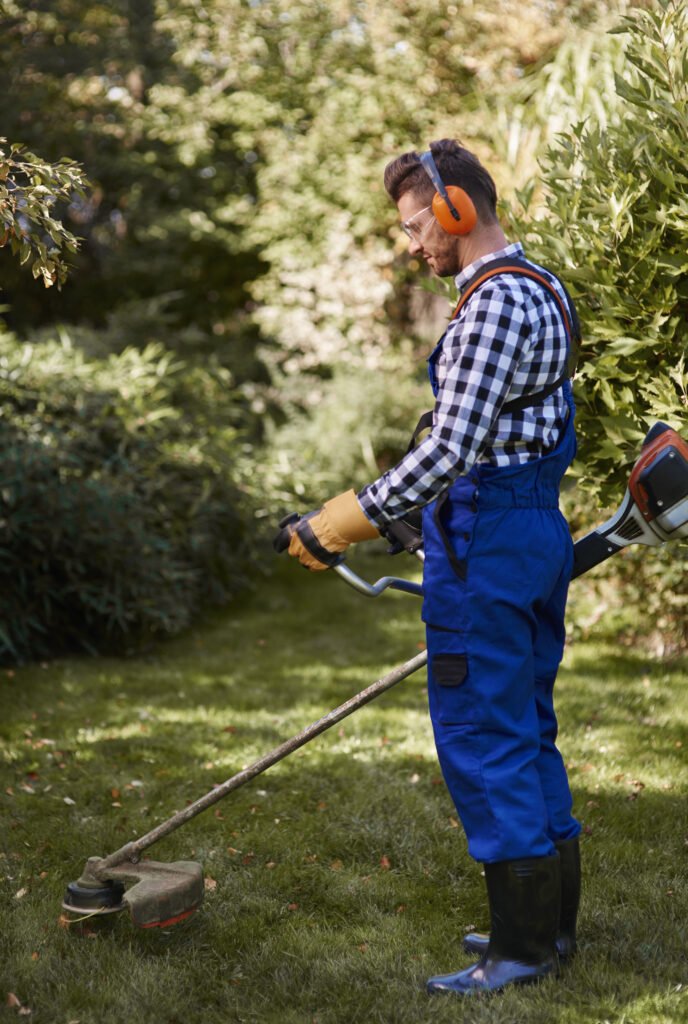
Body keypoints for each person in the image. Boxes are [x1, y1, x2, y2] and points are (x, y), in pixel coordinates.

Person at [276, 138, 581, 997]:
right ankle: (547, 931)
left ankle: (518, 953)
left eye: (417, 226)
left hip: (489, 542)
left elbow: (451, 447)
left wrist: (343, 521)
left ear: (456, 210)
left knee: (486, 735)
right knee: (527, 723)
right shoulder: (541, 288)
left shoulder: (488, 307)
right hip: (528, 527)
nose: (412, 245)